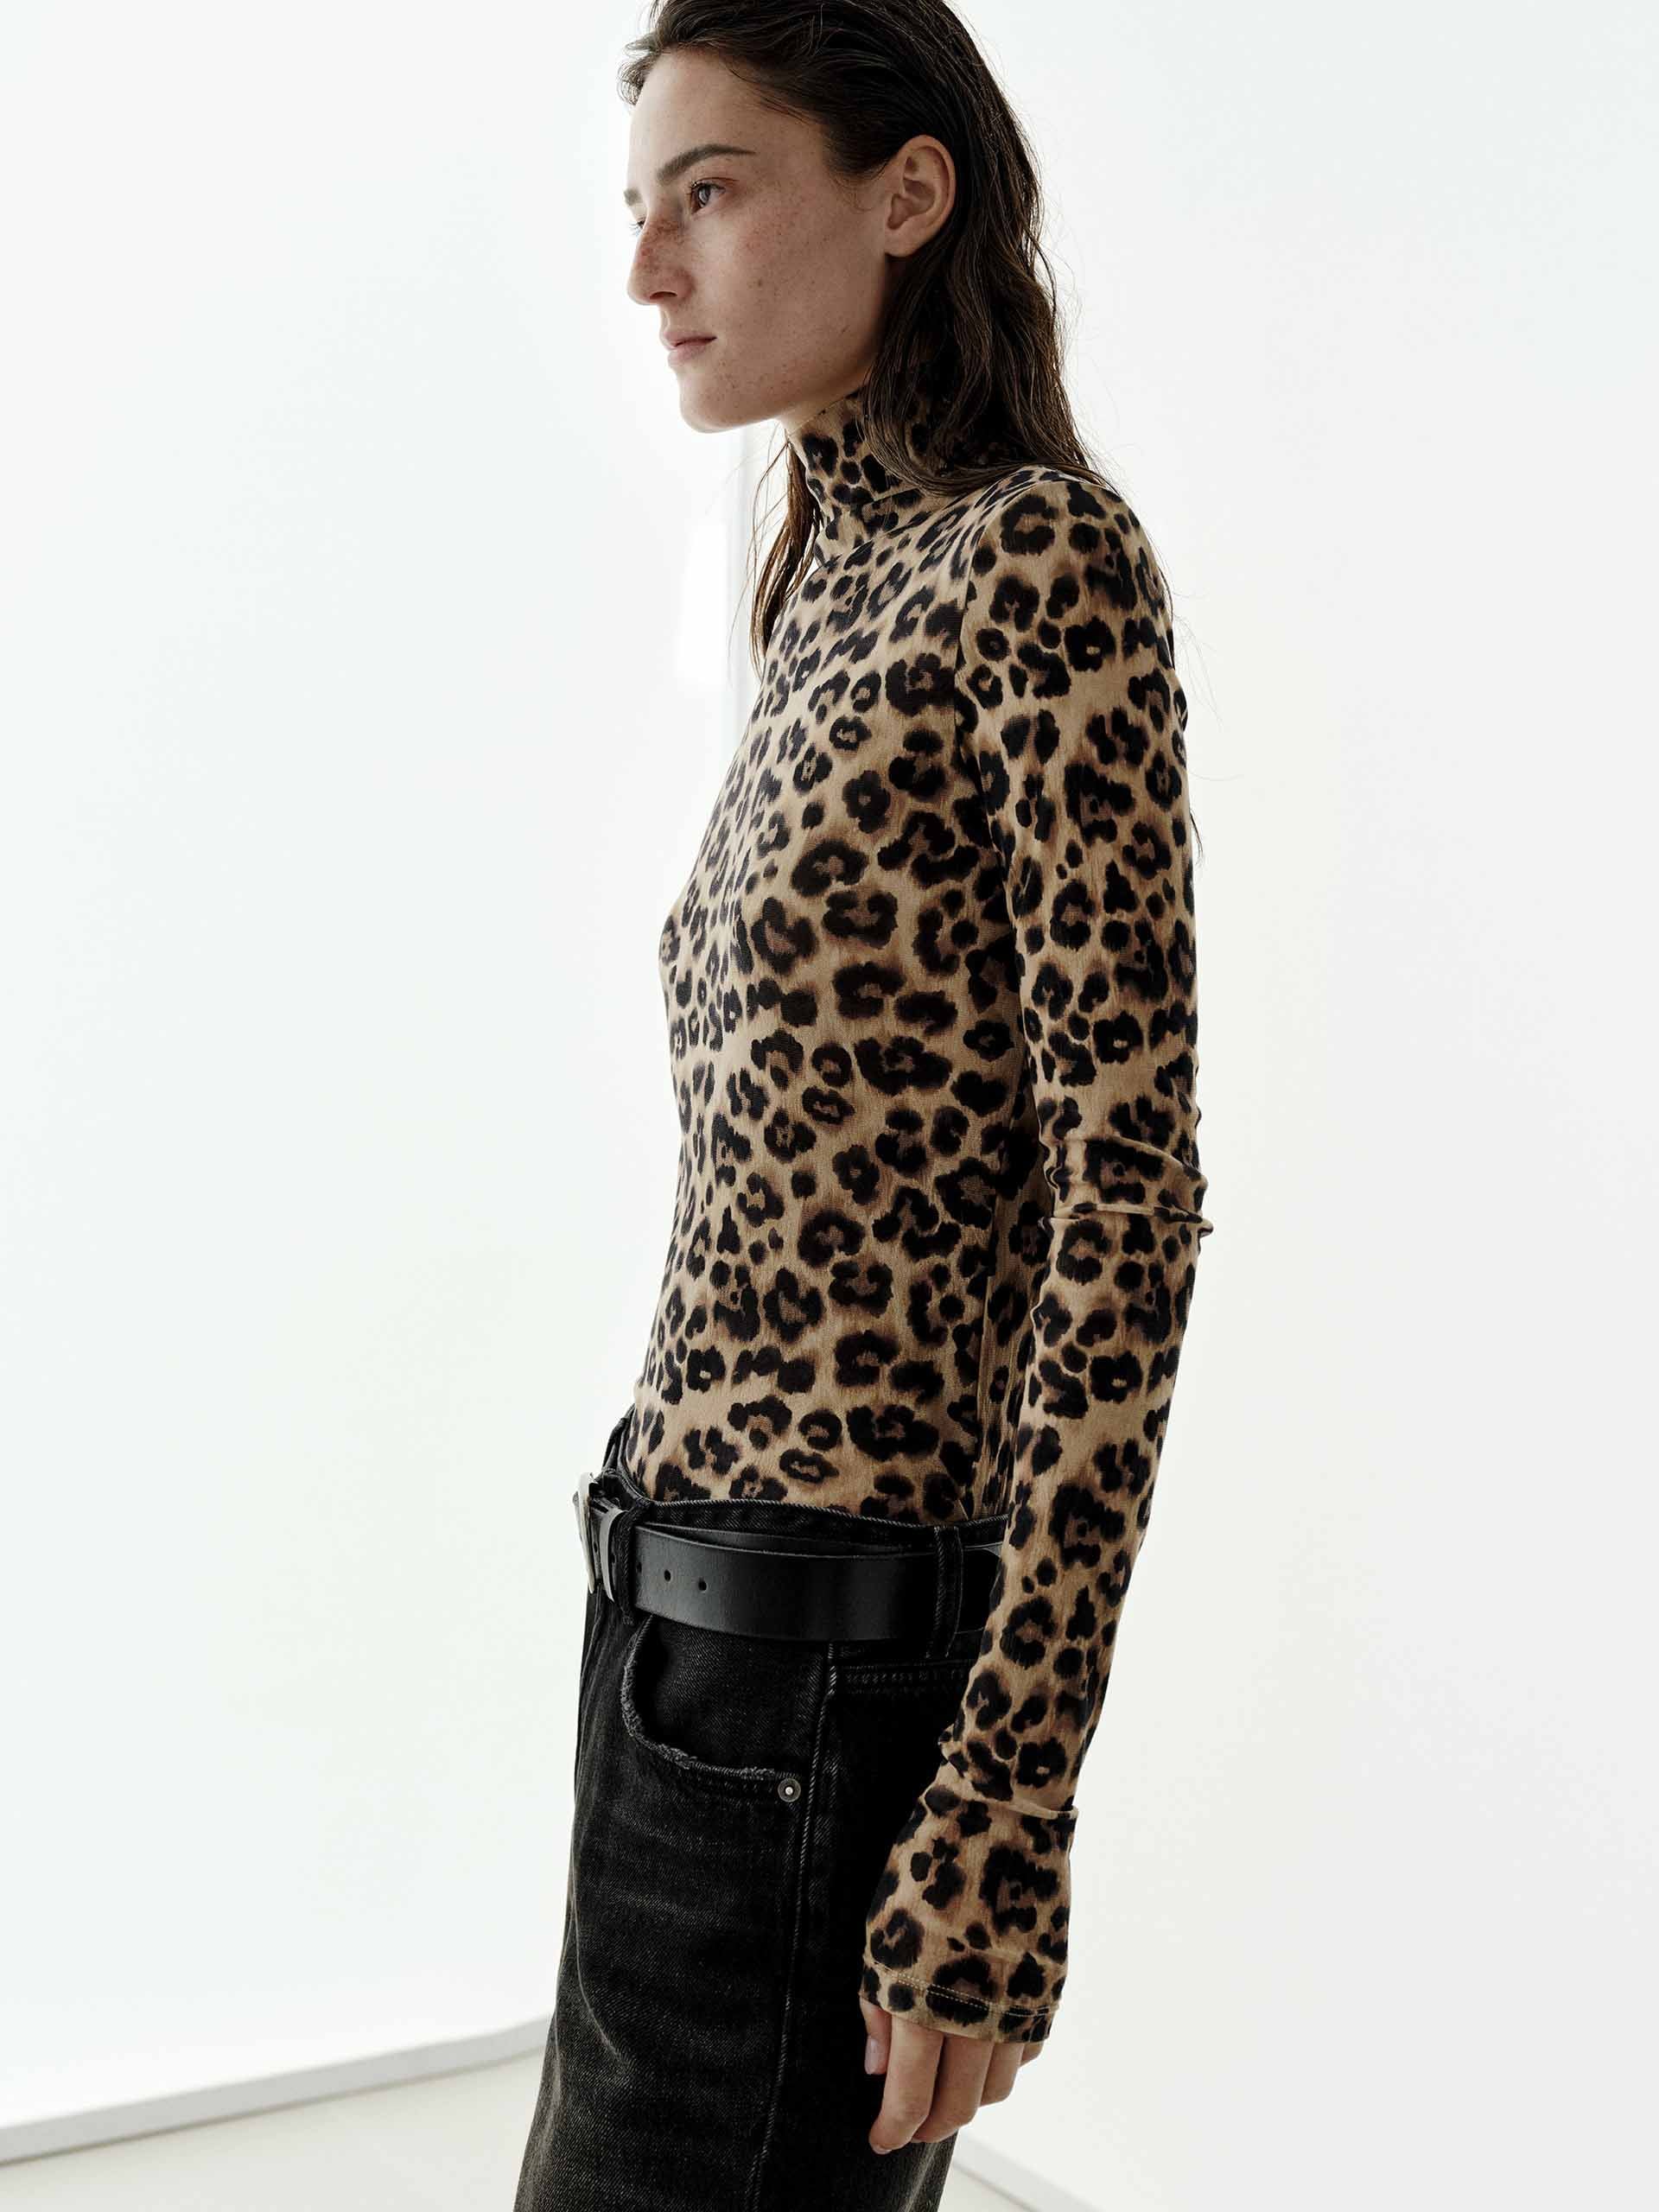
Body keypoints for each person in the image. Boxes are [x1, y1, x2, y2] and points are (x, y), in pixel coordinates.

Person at [514, 4, 1214, 2207]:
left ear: (910, 193)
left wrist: (1000, 1811)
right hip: (677, 1644)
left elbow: (1124, 1203)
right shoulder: (832, 571)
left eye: (711, 193)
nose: (652, 270)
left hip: (828, 1675)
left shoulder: (1039, 561)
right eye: (639, 210)